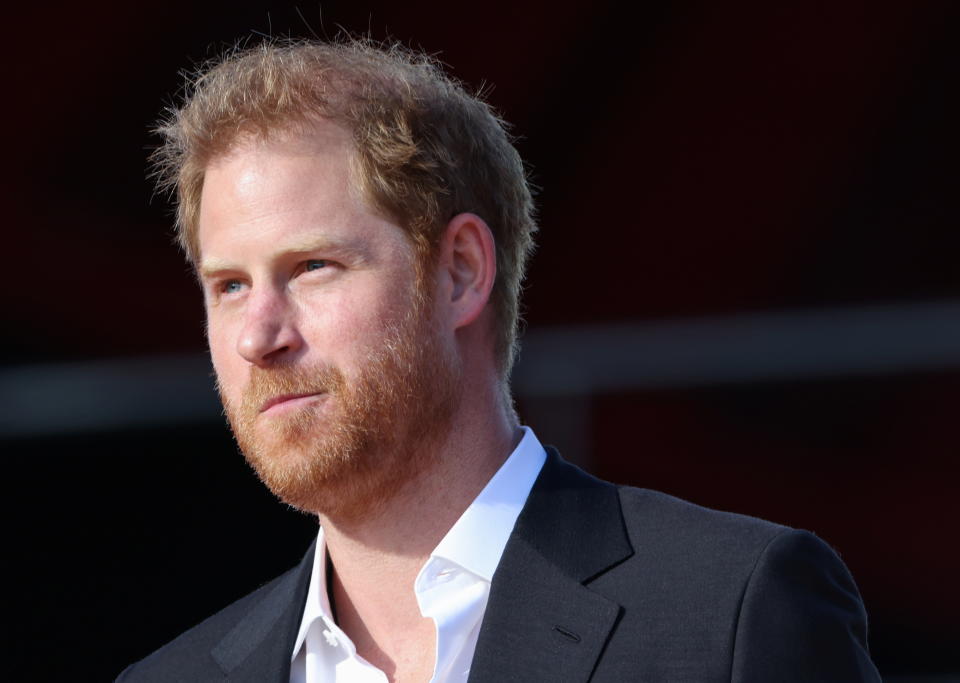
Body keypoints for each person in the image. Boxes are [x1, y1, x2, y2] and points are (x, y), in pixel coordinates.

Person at [118, 39, 881, 682]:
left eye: (314, 266)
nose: (259, 335)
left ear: (460, 272)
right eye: (228, 285)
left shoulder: (729, 614)